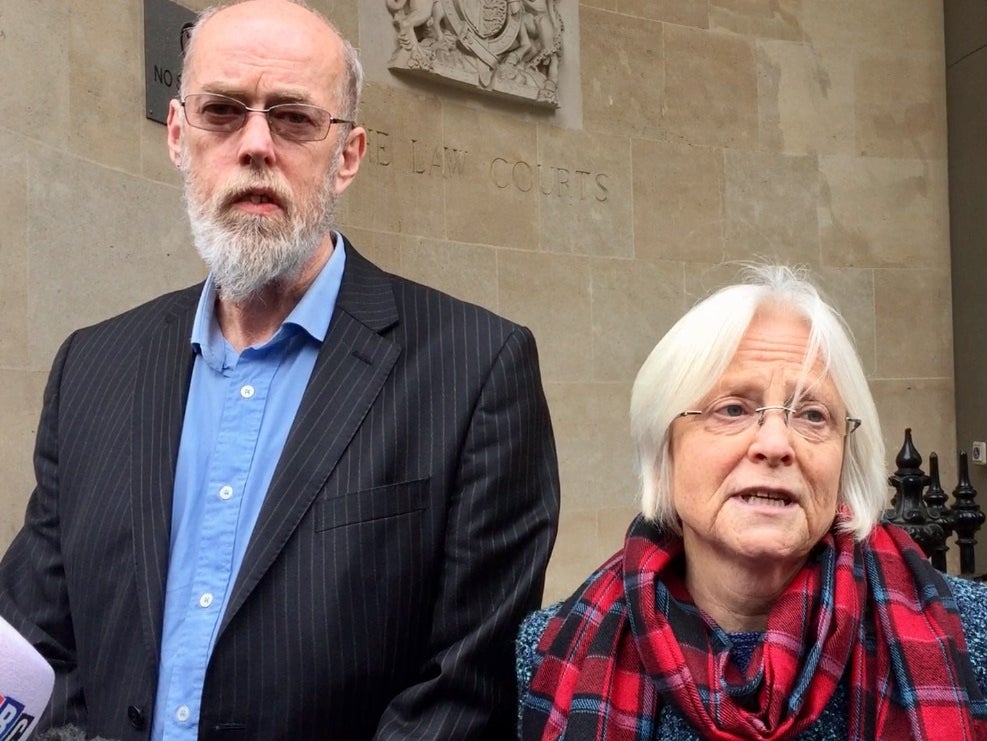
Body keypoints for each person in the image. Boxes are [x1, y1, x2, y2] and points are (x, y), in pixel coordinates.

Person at [0, 1, 560, 739]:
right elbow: (37, 646)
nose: (255, 144)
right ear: (178, 135)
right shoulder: (92, 367)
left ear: (348, 154)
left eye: (294, 118)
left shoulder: (476, 369)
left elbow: (464, 689)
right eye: (222, 111)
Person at [517, 265, 987, 740]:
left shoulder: (970, 633)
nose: (777, 443)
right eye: (734, 409)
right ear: (666, 450)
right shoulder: (550, 648)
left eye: (812, 414)